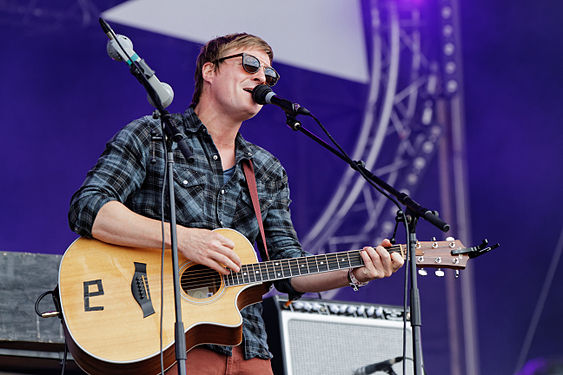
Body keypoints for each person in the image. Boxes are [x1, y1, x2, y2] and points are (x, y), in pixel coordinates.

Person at [68, 32, 404, 375]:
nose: (262, 78)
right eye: (249, 65)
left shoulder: (267, 170)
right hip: (165, 338)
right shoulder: (153, 136)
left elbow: (290, 269)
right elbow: (89, 207)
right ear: (209, 72)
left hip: (249, 343)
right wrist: (185, 239)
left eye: (269, 75)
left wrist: (355, 271)